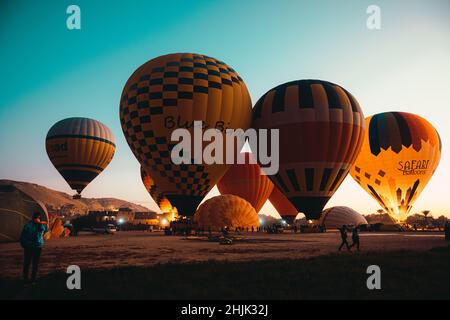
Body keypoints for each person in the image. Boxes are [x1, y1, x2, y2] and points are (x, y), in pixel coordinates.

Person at [20, 212, 48, 285]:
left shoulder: (41, 226)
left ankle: (33, 280)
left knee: (35, 264)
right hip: (29, 247)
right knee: (27, 263)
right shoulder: (28, 226)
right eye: (35, 218)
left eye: (38, 218)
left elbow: (45, 230)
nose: (36, 219)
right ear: (33, 218)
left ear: (39, 218)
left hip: (37, 247)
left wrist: (41, 224)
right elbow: (23, 236)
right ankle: (26, 279)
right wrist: (24, 244)